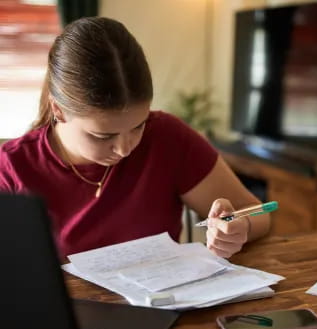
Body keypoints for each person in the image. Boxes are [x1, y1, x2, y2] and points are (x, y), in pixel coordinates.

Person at [0, 17, 270, 258]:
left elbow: (257, 212)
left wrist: (238, 226)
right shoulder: (13, 168)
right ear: (58, 109)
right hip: (66, 314)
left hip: (162, 307)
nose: (125, 148)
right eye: (103, 135)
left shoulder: (167, 136)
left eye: (138, 126)